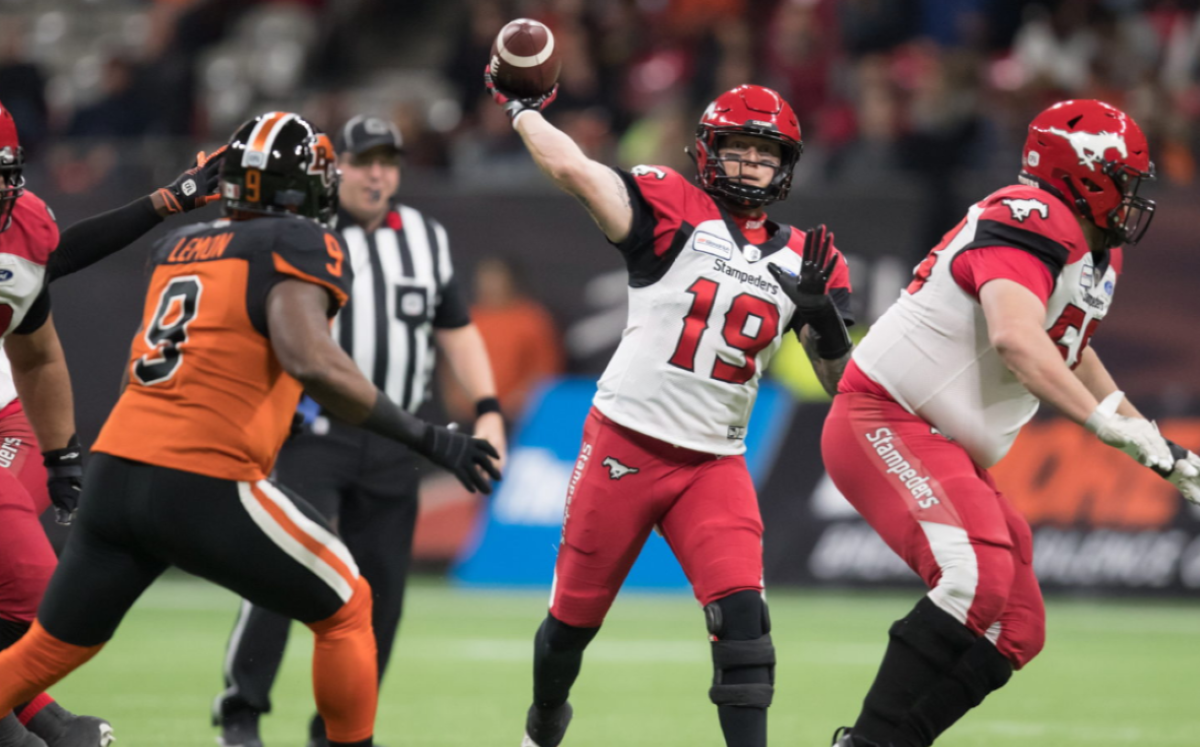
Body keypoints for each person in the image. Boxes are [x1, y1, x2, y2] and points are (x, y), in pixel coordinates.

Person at [0, 111, 501, 747]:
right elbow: (311, 359)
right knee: (348, 607)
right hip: (201, 479)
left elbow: (211, 351)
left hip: (117, 476)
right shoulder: (299, 242)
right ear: (301, 187)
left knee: (44, 653)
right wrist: (430, 438)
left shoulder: (177, 246)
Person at [485, 72, 856, 747]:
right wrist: (522, 112)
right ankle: (543, 724)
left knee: (745, 619)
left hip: (715, 461)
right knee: (570, 624)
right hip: (625, 443)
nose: (751, 163)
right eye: (739, 148)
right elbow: (572, 167)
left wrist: (825, 325)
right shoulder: (670, 205)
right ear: (708, 150)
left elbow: (842, 384)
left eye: (765, 151)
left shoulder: (811, 260)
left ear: (788, 165)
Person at [822, 99, 1200, 747]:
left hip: (942, 441)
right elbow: (1019, 342)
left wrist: (1158, 447)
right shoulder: (1035, 218)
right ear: (1082, 175)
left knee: (1017, 623)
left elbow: (1069, 350)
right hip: (885, 415)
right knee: (974, 578)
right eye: (1124, 181)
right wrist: (1103, 426)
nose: (1133, 198)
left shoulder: (1093, 251)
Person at [212, 114, 508, 747]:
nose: (378, 174)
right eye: (365, 160)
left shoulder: (426, 236)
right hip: (313, 431)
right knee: (284, 569)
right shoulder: (304, 232)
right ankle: (241, 712)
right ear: (336, 166)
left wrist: (487, 406)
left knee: (383, 598)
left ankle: (338, 732)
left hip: (396, 438)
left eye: (389, 162)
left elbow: (454, 326)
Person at [0, 99, 228, 747]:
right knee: (35, 591)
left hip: (6, 413)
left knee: (37, 598)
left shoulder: (24, 230)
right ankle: (42, 722)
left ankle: (39, 721)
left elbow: (39, 334)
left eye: (2, 173)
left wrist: (61, 454)